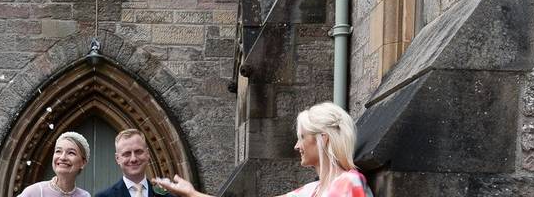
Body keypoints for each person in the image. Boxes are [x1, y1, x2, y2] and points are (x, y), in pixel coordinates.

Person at [153, 103, 372, 197]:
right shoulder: (311, 190)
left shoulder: (348, 183)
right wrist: (191, 193)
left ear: (322, 140)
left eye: (302, 138)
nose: (297, 146)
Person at [17, 131, 91, 197]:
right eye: (58, 151)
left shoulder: (85, 195)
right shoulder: (34, 192)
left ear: (83, 163)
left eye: (71, 153)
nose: (62, 157)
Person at [95, 129, 153, 197]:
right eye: (127, 154)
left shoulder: (166, 195)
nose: (133, 159)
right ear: (117, 158)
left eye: (138, 151)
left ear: (147, 154)